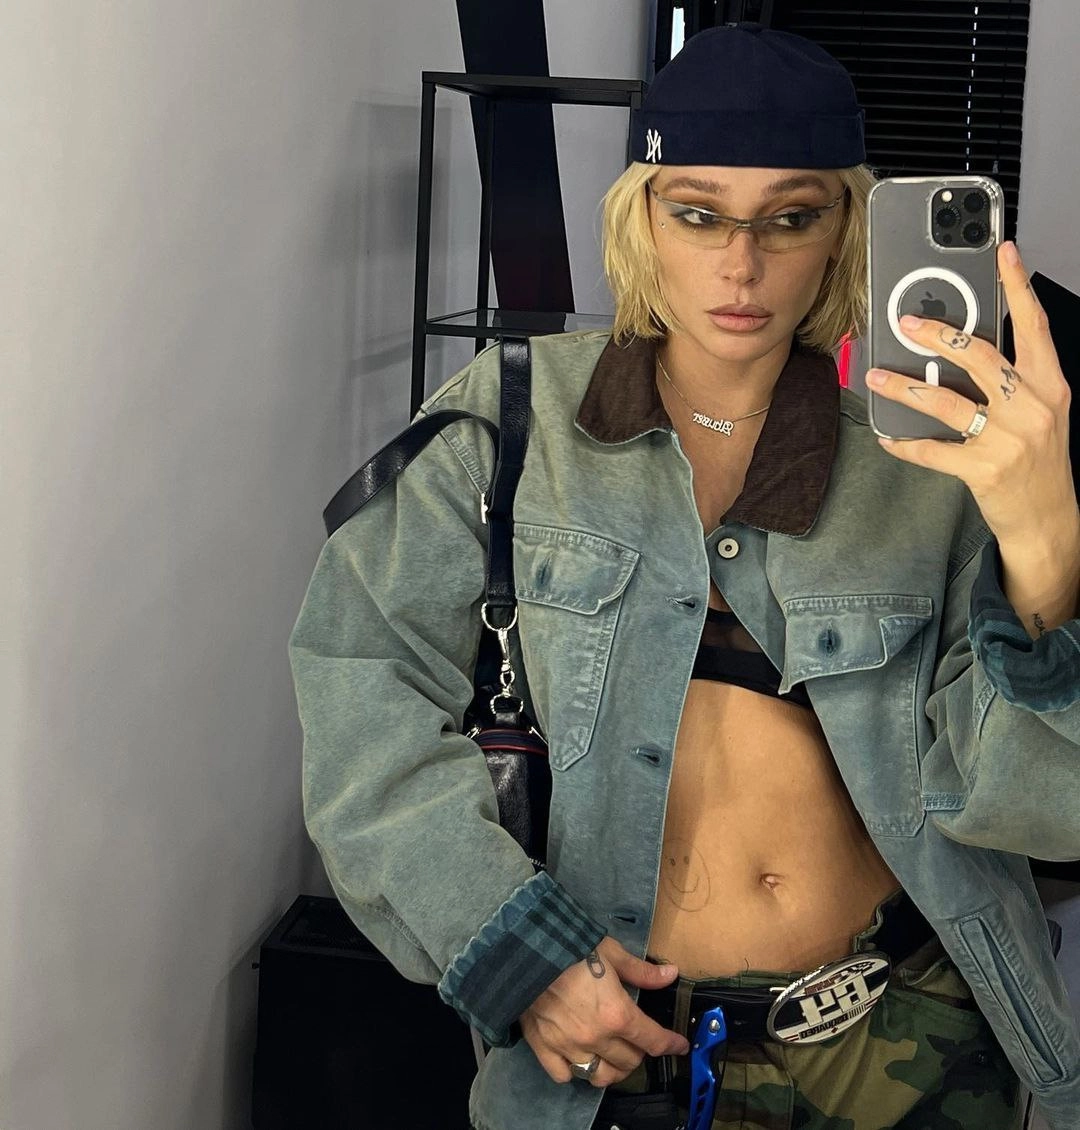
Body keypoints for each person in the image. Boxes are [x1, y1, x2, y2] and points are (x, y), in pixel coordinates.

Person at [289, 23, 1080, 1130]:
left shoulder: (929, 464)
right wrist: (517, 951)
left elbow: (1036, 811)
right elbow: (361, 691)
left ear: (846, 231)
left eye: (791, 217)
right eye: (698, 213)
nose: (740, 266)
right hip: (612, 1048)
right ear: (640, 217)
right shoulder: (510, 421)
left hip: (911, 1041)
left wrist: (1045, 546)